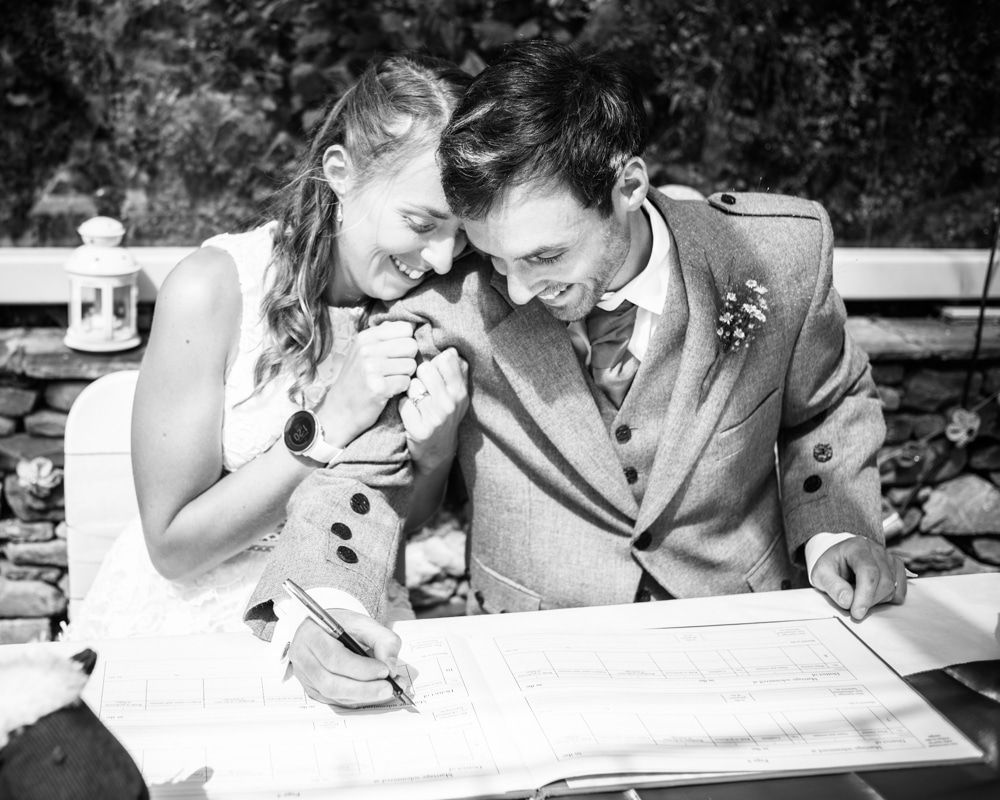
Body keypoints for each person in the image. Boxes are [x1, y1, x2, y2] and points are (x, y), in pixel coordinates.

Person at [246, 40, 906, 707]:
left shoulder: (777, 254)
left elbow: (826, 408)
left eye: (546, 255)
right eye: (498, 259)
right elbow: (359, 474)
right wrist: (318, 607)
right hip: (531, 661)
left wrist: (836, 525)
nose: (522, 290)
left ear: (628, 184)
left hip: (742, 637)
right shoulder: (446, 303)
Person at [64, 53, 472, 640]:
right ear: (341, 171)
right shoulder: (212, 289)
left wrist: (435, 452)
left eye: (461, 234)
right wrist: (327, 428)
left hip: (350, 604)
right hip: (195, 621)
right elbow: (173, 549)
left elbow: (402, 518)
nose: (439, 258)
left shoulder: (435, 305)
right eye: (421, 222)